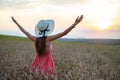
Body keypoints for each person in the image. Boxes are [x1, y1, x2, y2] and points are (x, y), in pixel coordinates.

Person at [11, 15, 83, 79]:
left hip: (37, 64)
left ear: (39, 30)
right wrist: (75, 23)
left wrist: (16, 22)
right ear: (47, 29)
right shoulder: (48, 39)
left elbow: (25, 32)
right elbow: (64, 33)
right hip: (48, 65)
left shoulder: (35, 39)